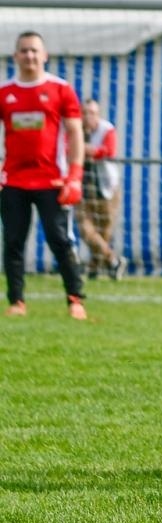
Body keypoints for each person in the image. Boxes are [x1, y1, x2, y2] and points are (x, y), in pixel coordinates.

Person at [1, 31, 87, 320]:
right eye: (24, 51)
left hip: (52, 181)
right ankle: (17, 302)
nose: (29, 56)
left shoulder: (61, 90)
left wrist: (75, 174)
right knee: (13, 242)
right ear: (15, 56)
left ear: (45, 55)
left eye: (35, 51)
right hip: (12, 181)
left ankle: (75, 300)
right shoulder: (4, 93)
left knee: (60, 240)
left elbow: (75, 133)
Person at [78, 98, 124, 281]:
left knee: (104, 232)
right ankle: (113, 260)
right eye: (85, 113)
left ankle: (94, 268)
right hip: (83, 189)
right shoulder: (75, 130)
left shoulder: (107, 129)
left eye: (92, 113)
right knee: (86, 230)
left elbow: (109, 151)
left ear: (98, 115)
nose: (88, 117)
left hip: (107, 189)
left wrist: (87, 150)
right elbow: (67, 148)